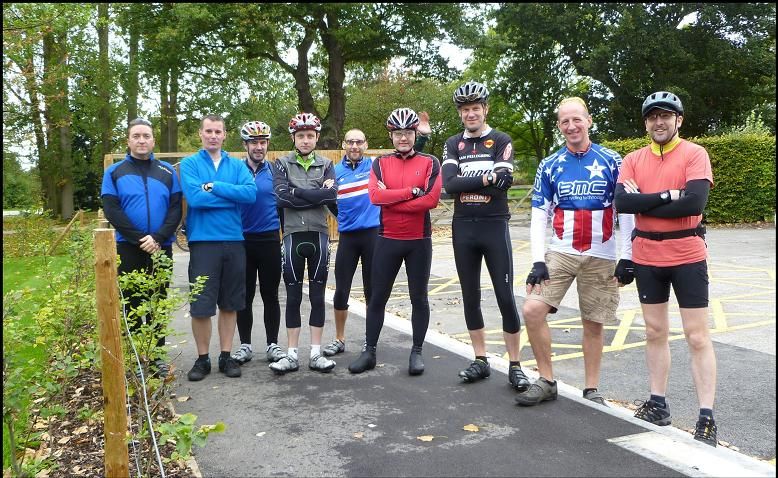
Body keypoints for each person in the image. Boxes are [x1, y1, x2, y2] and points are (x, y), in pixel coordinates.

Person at [515, 97, 635, 407]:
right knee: (532, 310)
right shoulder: (550, 164)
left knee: (593, 323)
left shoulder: (612, 160)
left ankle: (591, 389)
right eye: (565, 121)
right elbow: (540, 212)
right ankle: (546, 379)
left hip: (602, 254)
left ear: (589, 121)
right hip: (561, 251)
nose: (571, 126)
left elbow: (627, 211)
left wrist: (627, 256)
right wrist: (538, 260)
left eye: (577, 120)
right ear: (559, 126)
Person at [614, 91, 718, 446]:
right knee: (655, 331)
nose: (659, 122)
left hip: (687, 254)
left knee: (697, 336)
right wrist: (667, 197)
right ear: (646, 123)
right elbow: (623, 203)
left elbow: (694, 202)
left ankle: (706, 415)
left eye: (666, 116)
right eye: (653, 117)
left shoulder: (694, 154)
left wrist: (647, 202)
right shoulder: (633, 159)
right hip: (646, 256)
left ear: (679, 120)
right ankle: (658, 403)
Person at [441, 81, 530, 391]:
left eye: (475, 108)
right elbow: (449, 185)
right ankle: (480, 359)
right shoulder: (454, 143)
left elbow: (503, 182)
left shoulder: (501, 139)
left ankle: (515, 365)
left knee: (505, 295)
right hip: (463, 226)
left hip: (494, 225)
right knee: (470, 295)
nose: (470, 114)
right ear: (460, 113)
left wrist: (474, 181)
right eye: (465, 109)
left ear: (485, 109)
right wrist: (486, 177)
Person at [322, 114, 433, 357]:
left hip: (374, 235)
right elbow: (328, 200)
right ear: (344, 145)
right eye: (350, 142)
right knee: (341, 289)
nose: (354, 146)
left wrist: (422, 136)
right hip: (348, 237)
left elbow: (411, 160)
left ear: (365, 144)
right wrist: (340, 218)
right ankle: (339, 339)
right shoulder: (335, 171)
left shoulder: (376, 166)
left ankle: (368, 343)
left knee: (374, 292)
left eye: (359, 142)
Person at [348, 107, 442, 376]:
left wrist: (395, 199)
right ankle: (369, 352)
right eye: (398, 133)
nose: (403, 138)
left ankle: (416, 352)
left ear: (415, 134)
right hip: (387, 239)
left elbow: (431, 200)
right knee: (377, 297)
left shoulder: (430, 162)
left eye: (408, 133)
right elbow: (375, 198)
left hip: (418, 241)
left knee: (418, 298)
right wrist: (411, 193)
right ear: (392, 136)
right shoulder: (380, 163)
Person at [101, 117, 182, 377]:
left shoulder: (167, 172)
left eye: (146, 136)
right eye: (136, 136)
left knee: (158, 301)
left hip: (161, 246)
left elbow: (175, 209)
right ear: (128, 141)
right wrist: (140, 238)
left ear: (153, 140)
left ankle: (157, 355)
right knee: (133, 302)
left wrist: (158, 237)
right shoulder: (114, 172)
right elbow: (112, 209)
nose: (141, 140)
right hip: (129, 247)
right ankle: (136, 357)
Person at [179, 114, 256, 381]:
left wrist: (216, 187)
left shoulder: (236, 165)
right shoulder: (189, 164)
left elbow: (250, 195)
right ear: (201, 134)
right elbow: (196, 199)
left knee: (230, 303)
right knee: (201, 305)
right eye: (208, 131)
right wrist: (229, 195)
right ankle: (202, 360)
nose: (213, 135)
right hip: (203, 242)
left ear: (225, 135)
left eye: (218, 131)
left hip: (233, 241)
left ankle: (226, 356)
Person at [270, 112, 338, 374]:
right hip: (292, 236)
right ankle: (291, 355)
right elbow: (281, 199)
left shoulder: (326, 164)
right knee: (293, 297)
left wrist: (296, 191)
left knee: (319, 297)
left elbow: (330, 195)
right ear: (294, 138)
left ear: (317, 137)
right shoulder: (281, 164)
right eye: (301, 136)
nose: (306, 140)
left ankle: (316, 353)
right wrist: (315, 195)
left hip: (319, 234)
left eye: (310, 135)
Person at [229, 121, 285, 366]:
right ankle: (245, 345)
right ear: (245, 145)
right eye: (254, 142)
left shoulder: (275, 171)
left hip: (269, 239)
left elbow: (283, 204)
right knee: (245, 295)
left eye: (262, 142)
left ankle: (273, 344)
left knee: (270, 294)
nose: (258, 147)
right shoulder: (236, 171)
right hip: (242, 240)